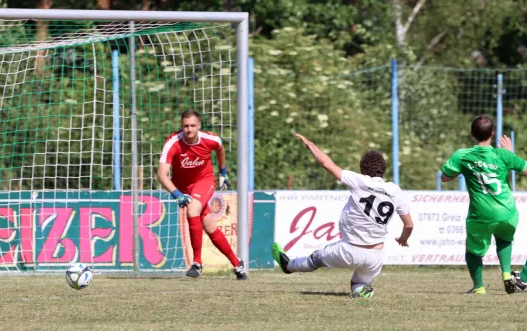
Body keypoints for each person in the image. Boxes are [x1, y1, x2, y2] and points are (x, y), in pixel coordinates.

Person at [271, 134, 414, 298]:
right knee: (358, 283)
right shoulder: (395, 191)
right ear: (383, 170)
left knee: (316, 258)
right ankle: (362, 290)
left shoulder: (360, 181)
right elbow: (409, 225)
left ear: (363, 169)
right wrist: (403, 239)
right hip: (376, 256)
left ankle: (288, 266)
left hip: (348, 250)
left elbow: (326, 163)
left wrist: (310, 145)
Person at [441, 115, 527, 294]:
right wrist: (509, 154)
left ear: (472, 134)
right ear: (492, 134)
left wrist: (465, 169)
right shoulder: (503, 154)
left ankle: (479, 287)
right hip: (507, 211)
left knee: (473, 252)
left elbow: (445, 177)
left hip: (481, 214)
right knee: (504, 240)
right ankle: (506, 274)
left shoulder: (463, 155)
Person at [157, 109, 247, 280]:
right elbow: (161, 175)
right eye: (185, 126)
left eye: (192, 125)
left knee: (192, 211)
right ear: (181, 127)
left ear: (199, 126)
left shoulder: (210, 139)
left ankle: (197, 263)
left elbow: (220, 149)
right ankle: (237, 264)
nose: (189, 129)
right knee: (209, 226)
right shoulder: (172, 143)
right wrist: (177, 194)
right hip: (183, 188)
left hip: (205, 181)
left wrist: (223, 171)